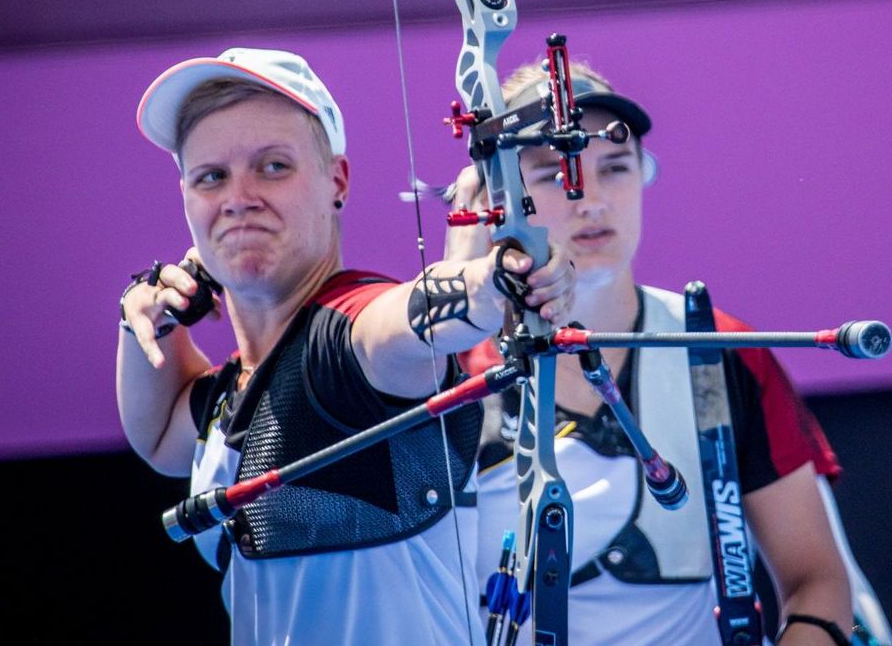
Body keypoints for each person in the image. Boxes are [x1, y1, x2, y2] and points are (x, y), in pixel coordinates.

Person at [117, 47, 575, 645]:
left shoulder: (346, 338)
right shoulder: (230, 394)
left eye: (274, 166)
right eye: (212, 177)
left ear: (337, 180)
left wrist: (496, 280)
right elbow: (156, 439)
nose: (239, 196)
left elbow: (413, 322)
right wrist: (140, 313)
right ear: (186, 198)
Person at [451, 63, 892, 645]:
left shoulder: (717, 349)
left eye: (615, 168)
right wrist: (460, 287)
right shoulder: (443, 370)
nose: (594, 202)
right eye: (557, 176)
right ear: (493, 198)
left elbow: (817, 578)